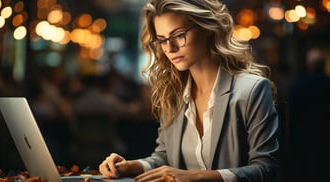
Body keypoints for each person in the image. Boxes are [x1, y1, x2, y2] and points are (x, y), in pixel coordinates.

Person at [98, 0, 280, 181]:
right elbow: (164, 158)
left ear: (207, 28)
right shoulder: (172, 94)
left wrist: (198, 177)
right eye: (162, 40)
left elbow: (266, 169)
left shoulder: (252, 89)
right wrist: (132, 166)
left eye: (179, 35)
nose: (170, 48)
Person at [288, 47, 330, 181]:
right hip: (325, 136)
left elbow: (292, 113)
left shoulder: (298, 85)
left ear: (309, 65)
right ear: (323, 64)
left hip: (303, 137)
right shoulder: (328, 84)